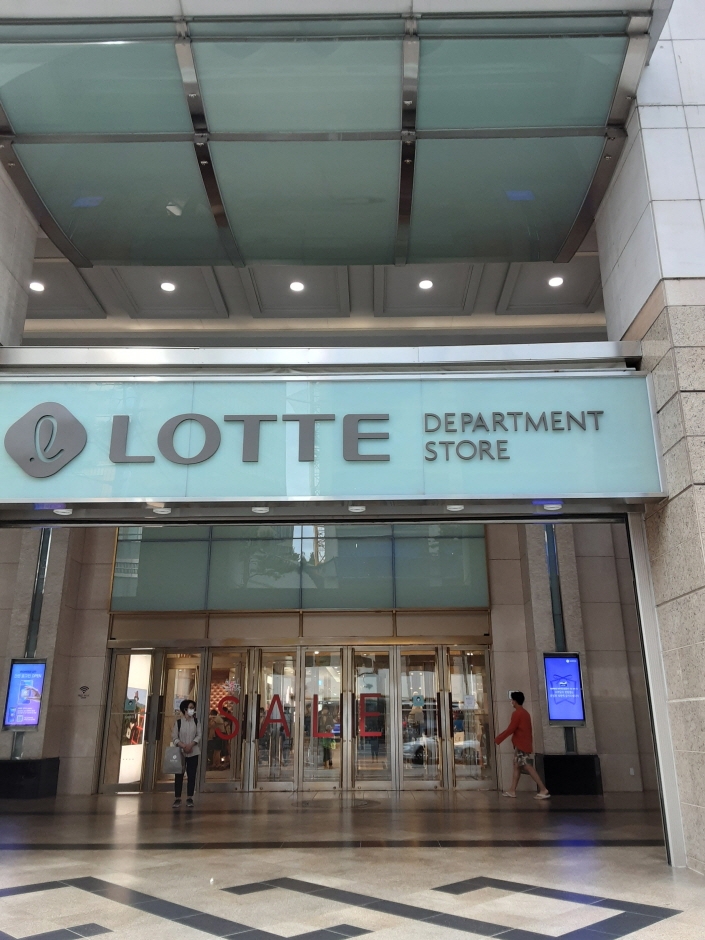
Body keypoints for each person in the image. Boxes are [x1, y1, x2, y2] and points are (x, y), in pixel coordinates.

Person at [494, 691, 550, 800]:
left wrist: (498, 739)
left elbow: (511, 729)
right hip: (523, 744)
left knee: (527, 766)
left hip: (521, 745)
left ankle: (543, 789)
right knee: (517, 766)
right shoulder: (525, 713)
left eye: (512, 700)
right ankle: (512, 790)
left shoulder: (517, 713)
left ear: (515, 701)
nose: (511, 702)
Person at [172, 699, 201, 808]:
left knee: (192, 775)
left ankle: (189, 797)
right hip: (181, 752)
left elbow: (199, 735)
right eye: (190, 708)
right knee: (179, 775)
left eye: (193, 708)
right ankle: (177, 798)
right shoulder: (178, 723)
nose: (192, 710)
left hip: (193, 752)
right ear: (185, 709)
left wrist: (191, 745)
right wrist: (184, 746)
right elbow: (174, 737)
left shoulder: (196, 722)